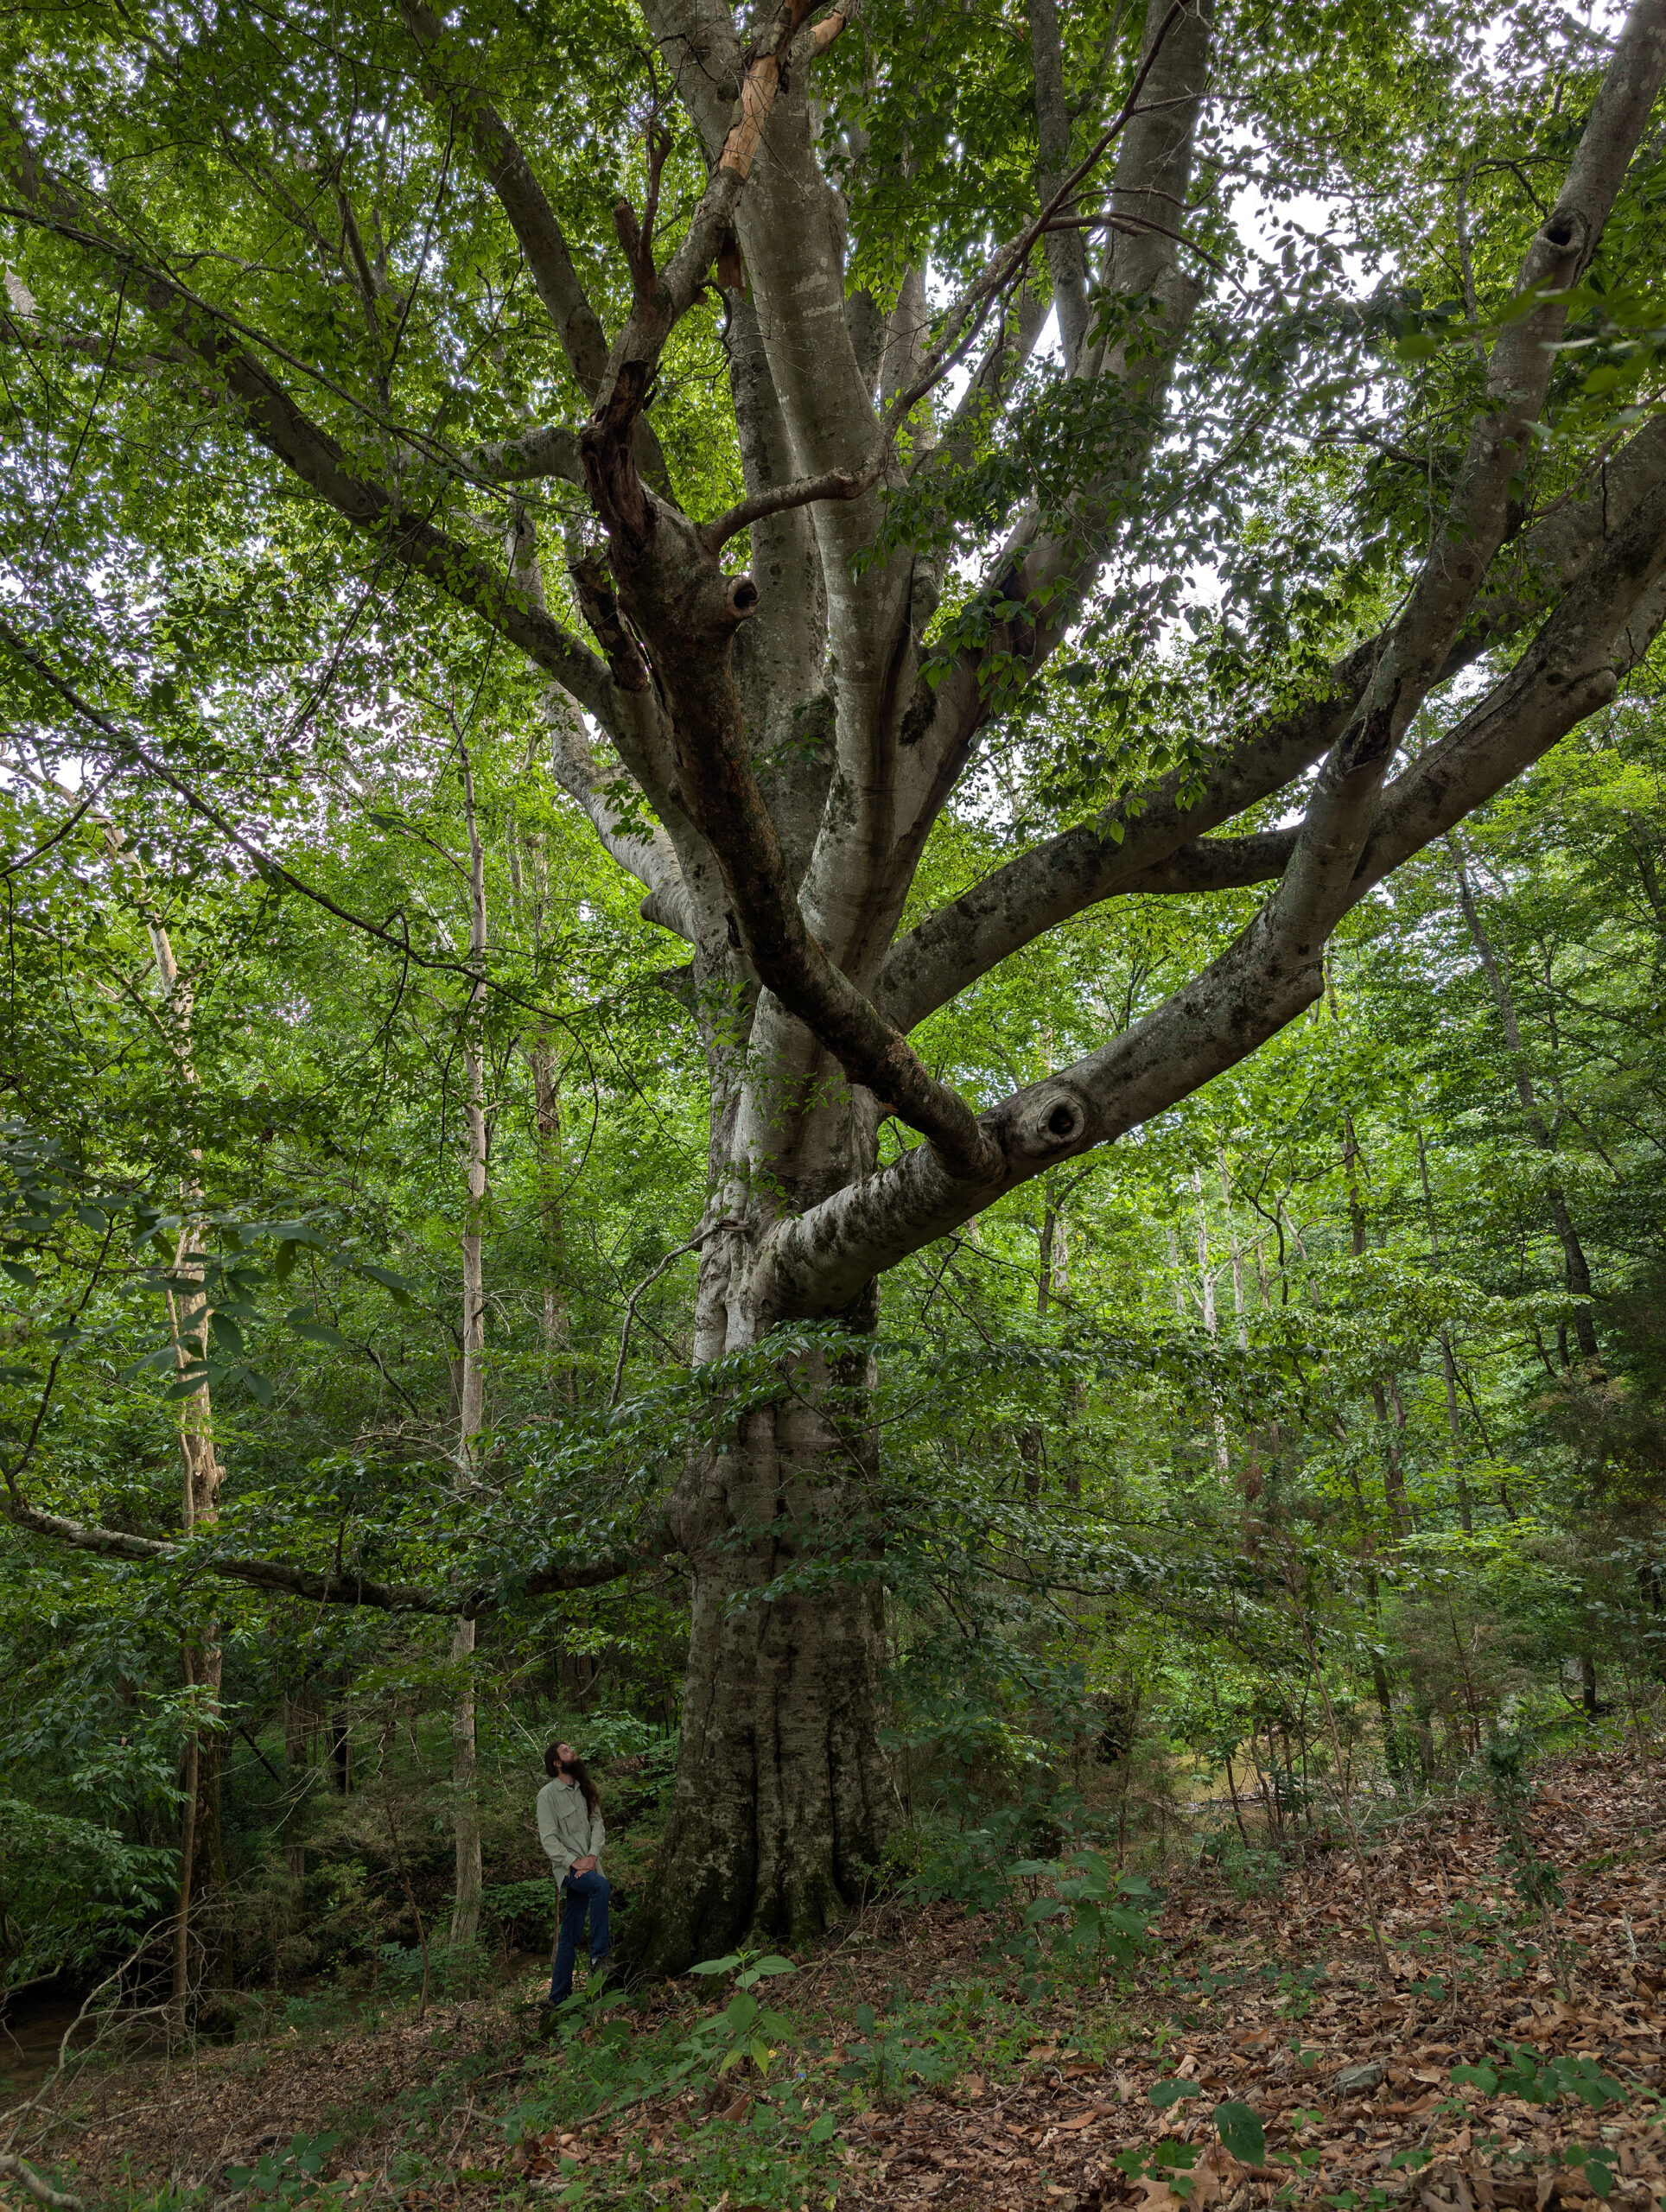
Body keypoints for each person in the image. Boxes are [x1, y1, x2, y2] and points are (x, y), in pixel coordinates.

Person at [537, 1740, 609, 2004]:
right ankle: (599, 1957)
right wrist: (574, 1862)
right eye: (566, 1751)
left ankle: (557, 1996)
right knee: (600, 1887)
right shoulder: (547, 1796)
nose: (573, 1752)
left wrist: (591, 1858)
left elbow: (597, 1823)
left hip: (589, 1865)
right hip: (567, 1870)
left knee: (570, 1930)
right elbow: (549, 1840)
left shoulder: (585, 1789)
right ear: (557, 1763)